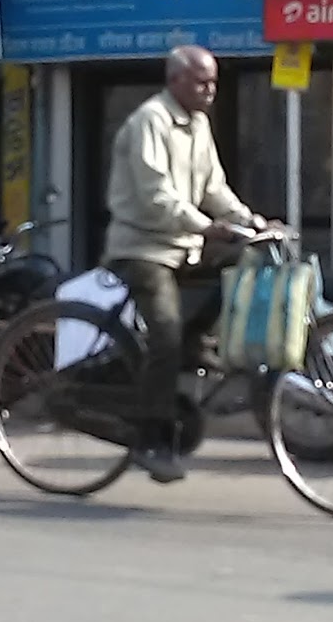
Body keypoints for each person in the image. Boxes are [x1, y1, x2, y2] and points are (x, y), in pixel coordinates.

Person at [104, 46, 267, 484]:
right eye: (201, 81)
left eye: (213, 82)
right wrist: (207, 226)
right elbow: (157, 197)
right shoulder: (149, 122)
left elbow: (215, 188)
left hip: (186, 246)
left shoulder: (198, 124)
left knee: (246, 264)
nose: (210, 90)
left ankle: (198, 341)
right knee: (165, 335)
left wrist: (250, 222)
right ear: (175, 79)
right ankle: (150, 439)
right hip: (144, 248)